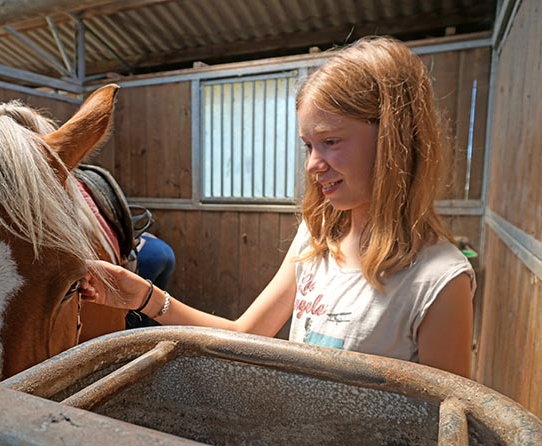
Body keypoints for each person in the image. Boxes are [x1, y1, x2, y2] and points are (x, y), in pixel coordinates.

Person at [80, 36, 475, 378]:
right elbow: (246, 335)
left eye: (331, 141)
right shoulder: (318, 236)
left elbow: (442, 422)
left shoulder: (439, 281)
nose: (312, 165)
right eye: (308, 145)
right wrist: (143, 297)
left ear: (392, 138)